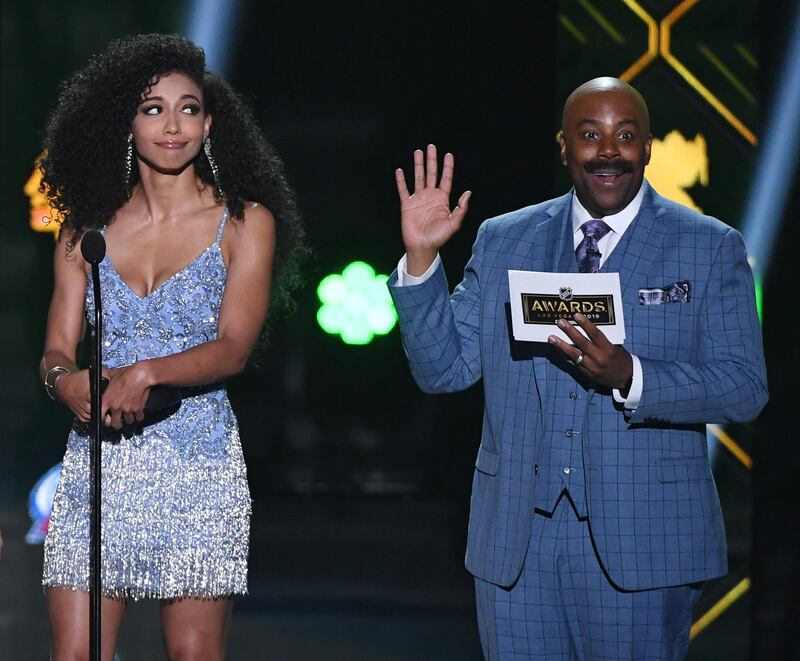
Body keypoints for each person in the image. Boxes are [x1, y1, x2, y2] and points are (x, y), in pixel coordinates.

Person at [389, 77, 768, 660]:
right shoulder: (504, 240)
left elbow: (744, 389)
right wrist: (421, 260)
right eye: (590, 135)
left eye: (625, 135)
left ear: (647, 148)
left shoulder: (707, 246)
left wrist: (633, 377)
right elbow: (445, 370)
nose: (608, 150)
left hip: (643, 544)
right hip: (516, 543)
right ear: (565, 147)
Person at [38, 34, 304, 660]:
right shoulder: (84, 230)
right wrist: (65, 381)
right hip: (99, 466)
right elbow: (54, 347)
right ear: (126, 123)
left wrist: (148, 372)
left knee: (193, 656)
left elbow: (235, 346)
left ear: (209, 123)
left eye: (188, 108)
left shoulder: (244, 221)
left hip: (198, 461)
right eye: (153, 108)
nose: (173, 125)